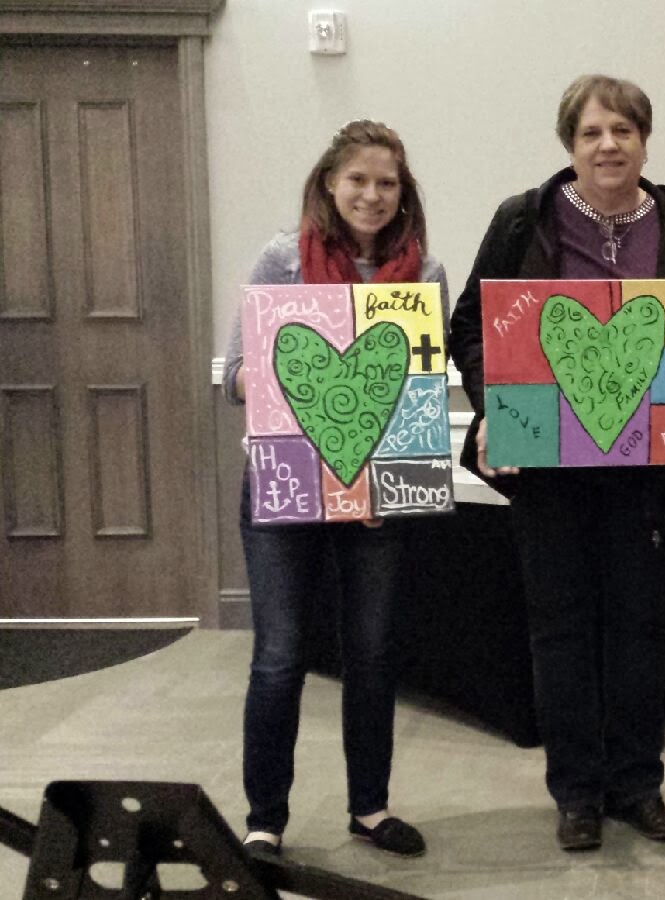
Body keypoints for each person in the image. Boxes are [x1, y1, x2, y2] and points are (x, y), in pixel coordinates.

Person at [447, 74, 665, 852]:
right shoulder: (522, 220)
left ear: (645, 142)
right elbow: (472, 326)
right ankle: (576, 794)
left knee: (640, 630)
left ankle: (637, 786)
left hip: (648, 474)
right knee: (560, 632)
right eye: (593, 132)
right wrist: (497, 405)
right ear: (570, 143)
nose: (608, 145)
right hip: (548, 470)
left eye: (623, 131)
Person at [223, 119, 444, 859]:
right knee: (280, 656)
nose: (372, 195)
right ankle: (264, 820)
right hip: (285, 486)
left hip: (376, 497)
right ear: (329, 183)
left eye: (387, 183)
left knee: (373, 653)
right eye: (358, 180)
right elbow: (234, 376)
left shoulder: (425, 274)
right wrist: (273, 373)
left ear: (403, 192)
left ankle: (370, 808)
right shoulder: (281, 259)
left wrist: (392, 480)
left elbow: (417, 394)